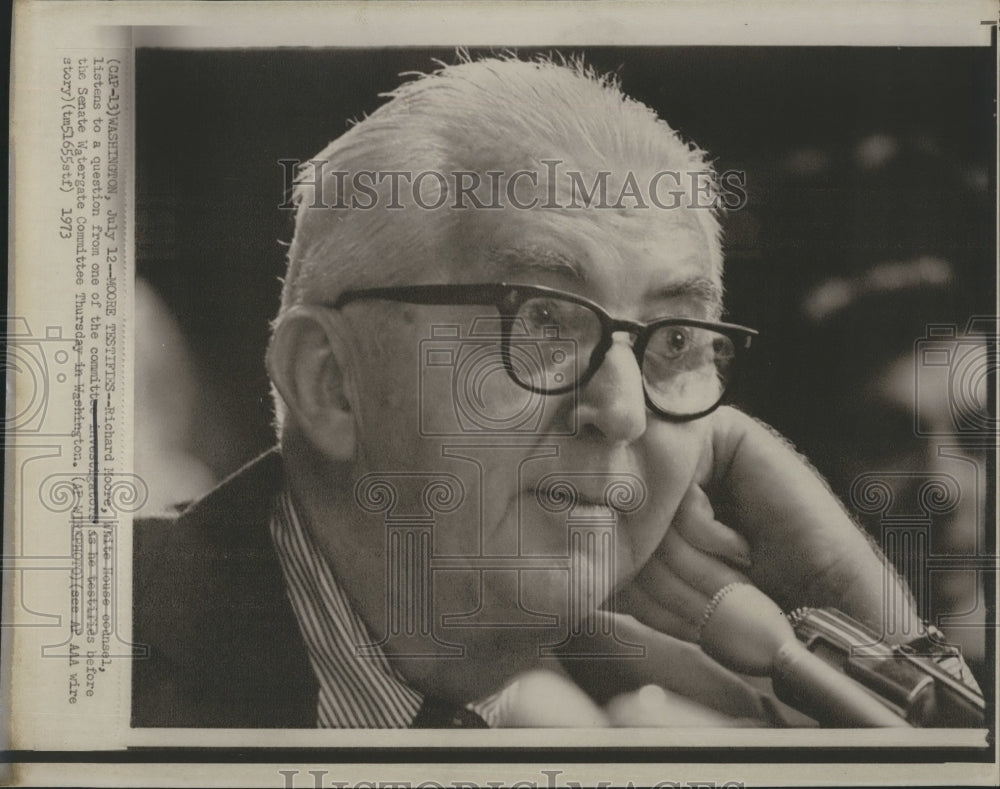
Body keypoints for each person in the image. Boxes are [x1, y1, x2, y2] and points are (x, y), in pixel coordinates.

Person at [132, 56, 935, 729]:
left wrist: (852, 609)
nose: (620, 410)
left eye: (675, 339)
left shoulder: (679, 704)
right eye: (545, 321)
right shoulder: (89, 655)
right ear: (331, 381)